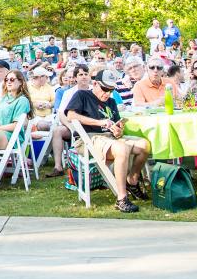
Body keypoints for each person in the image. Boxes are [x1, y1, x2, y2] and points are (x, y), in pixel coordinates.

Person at [64, 69, 150, 212]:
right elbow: (71, 115)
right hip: (88, 138)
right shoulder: (82, 95)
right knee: (122, 149)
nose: (107, 93)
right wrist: (100, 122)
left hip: (109, 138)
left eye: (111, 90)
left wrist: (118, 130)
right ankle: (122, 198)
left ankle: (132, 181)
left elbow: (116, 128)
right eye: (105, 89)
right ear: (95, 83)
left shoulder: (111, 101)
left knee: (144, 145)